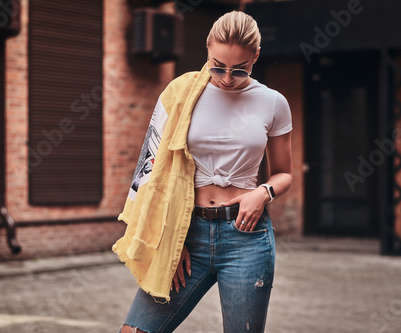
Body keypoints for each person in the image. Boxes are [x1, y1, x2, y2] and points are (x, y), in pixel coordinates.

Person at [114, 10, 293, 333]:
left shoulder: (273, 102)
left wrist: (262, 193)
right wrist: (171, 237)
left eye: (239, 69)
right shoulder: (180, 94)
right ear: (207, 48)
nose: (226, 78)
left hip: (246, 238)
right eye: (217, 66)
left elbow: (283, 173)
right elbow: (150, 168)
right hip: (187, 233)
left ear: (256, 56)